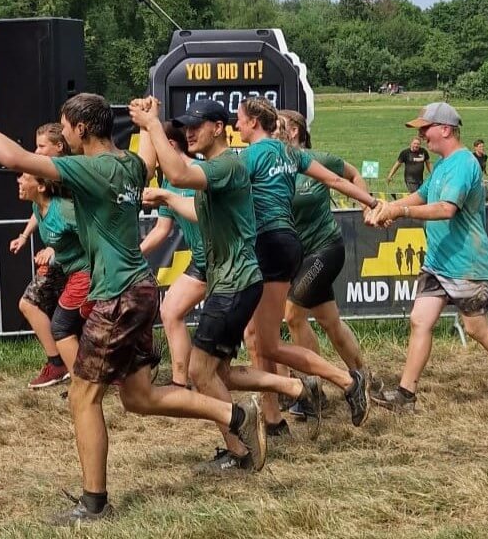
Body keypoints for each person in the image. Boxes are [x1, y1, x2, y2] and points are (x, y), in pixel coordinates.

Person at [0, 94, 267, 526]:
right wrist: (150, 117)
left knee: (82, 396)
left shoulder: (92, 169)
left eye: (64, 126)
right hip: (141, 289)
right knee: (139, 397)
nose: (62, 133)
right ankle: (235, 413)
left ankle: (94, 504)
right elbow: (147, 152)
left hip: (119, 295)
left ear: (82, 130)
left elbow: (15, 157)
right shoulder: (127, 166)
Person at [132, 98, 322, 472]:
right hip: (232, 281)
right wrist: (167, 190)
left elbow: (182, 176)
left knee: (203, 371)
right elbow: (191, 203)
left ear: (219, 127)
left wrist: (153, 125)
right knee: (219, 372)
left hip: (235, 282)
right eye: (184, 127)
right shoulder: (217, 167)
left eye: (196, 125)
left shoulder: (226, 165)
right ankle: (297, 389)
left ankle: (242, 443)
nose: (188, 132)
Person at [365, 102, 488, 413]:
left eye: (425, 128)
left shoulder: (463, 164)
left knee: (476, 329)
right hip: (437, 261)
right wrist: (385, 208)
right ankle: (406, 396)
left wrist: (400, 211)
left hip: (465, 262)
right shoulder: (444, 165)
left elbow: (446, 208)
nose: (421, 135)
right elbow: (421, 197)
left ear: (445, 129)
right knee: (420, 321)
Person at [237, 97, 379, 433]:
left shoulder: (261, 156)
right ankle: (356, 377)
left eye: (239, 120)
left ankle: (328, 384)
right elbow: (335, 183)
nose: (235, 125)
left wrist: (372, 204)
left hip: (313, 249)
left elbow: (341, 178)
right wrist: (374, 203)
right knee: (327, 322)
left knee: (282, 325)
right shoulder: (289, 156)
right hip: (293, 250)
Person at [275, 110, 377, 419]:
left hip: (324, 249)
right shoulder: (274, 167)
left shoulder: (319, 160)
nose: (271, 130)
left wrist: (367, 205)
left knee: (293, 316)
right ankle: (363, 377)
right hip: (296, 256)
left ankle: (313, 389)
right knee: (330, 321)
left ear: (294, 132)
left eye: (277, 126)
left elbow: (353, 173)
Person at [10, 124, 86, 389]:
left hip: (82, 265)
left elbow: (79, 222)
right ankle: (63, 366)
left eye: (41, 146)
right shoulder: (41, 193)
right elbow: (41, 210)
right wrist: (25, 235)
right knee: (41, 310)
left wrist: (54, 250)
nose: (36, 151)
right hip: (66, 262)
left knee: (68, 323)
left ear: (59, 146)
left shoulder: (72, 174)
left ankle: (81, 376)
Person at [138, 121, 205, 388]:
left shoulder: (198, 172)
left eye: (150, 148)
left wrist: (167, 197)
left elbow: (204, 214)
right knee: (169, 311)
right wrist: (133, 253)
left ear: (169, 146)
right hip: (202, 261)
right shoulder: (168, 181)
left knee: (256, 336)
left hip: (228, 260)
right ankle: (180, 382)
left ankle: (288, 385)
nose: (144, 159)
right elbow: (162, 229)